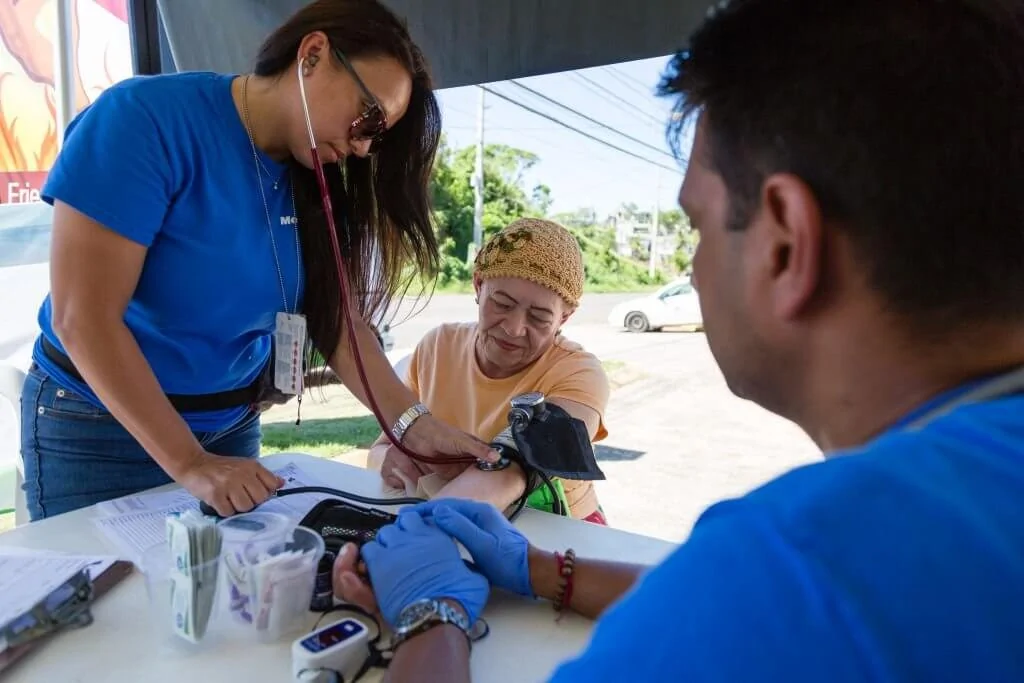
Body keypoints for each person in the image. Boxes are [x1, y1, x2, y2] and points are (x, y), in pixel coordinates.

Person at [332, 0, 1024, 680]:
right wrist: (543, 568)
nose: (691, 268)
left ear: (784, 243)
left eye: (696, 224)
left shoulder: (809, 561)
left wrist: (431, 613)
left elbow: (757, 599)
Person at [19, 0, 497, 521]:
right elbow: (83, 317)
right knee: (103, 595)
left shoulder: (316, 177)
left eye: (377, 137)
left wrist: (413, 427)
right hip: (96, 428)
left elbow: (337, 320)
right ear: (312, 55)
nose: (363, 147)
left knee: (233, 594)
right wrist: (190, 462)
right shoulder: (144, 120)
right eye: (368, 117)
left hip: (229, 428)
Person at [367, 218, 612, 523]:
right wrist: (392, 462)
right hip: (444, 507)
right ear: (478, 286)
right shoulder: (437, 346)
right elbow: (380, 450)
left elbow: (524, 461)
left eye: (539, 318)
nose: (513, 328)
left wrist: (419, 533)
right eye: (502, 303)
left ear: (564, 318)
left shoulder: (579, 372)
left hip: (556, 527)